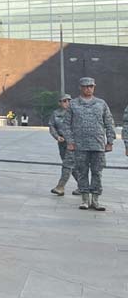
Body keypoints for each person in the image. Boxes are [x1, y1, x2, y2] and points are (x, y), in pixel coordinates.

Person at [65, 77, 115, 211]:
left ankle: (96, 200)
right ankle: (85, 199)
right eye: (85, 86)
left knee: (97, 173)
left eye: (91, 86)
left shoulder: (101, 104)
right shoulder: (73, 104)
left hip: (98, 145)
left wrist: (110, 141)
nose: (88, 89)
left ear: (94, 87)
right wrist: (70, 141)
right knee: (82, 172)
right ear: (80, 87)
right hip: (80, 145)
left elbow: (109, 123)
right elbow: (66, 125)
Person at [49, 94, 75, 196]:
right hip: (62, 143)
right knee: (72, 166)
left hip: (73, 143)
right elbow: (52, 126)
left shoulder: (75, 112)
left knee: (67, 164)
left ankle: (60, 187)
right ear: (59, 103)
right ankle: (83, 187)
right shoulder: (55, 113)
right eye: (64, 101)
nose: (67, 103)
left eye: (69, 101)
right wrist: (57, 136)